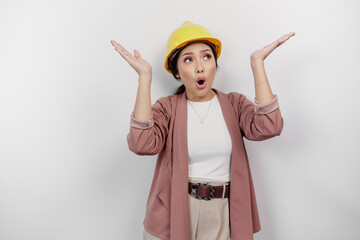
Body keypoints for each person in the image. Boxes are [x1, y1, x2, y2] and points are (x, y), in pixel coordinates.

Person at [111, 21, 295, 240]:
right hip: (175, 211)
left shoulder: (234, 104)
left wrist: (257, 64)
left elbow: (270, 126)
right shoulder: (167, 108)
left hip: (225, 213)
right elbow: (141, 144)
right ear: (177, 71)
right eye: (188, 59)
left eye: (206, 56)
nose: (200, 66)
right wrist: (144, 78)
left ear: (214, 64)